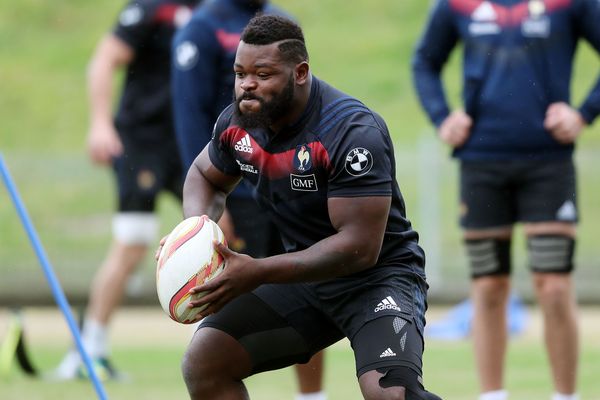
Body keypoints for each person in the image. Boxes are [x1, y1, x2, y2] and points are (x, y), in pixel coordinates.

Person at [161, 14, 442, 400]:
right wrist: (193, 234)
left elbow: (358, 248)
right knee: (205, 361)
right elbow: (204, 175)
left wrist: (257, 271)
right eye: (240, 73)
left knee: (390, 394)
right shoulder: (239, 125)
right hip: (304, 282)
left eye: (263, 74)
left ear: (300, 72)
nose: (247, 86)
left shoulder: (351, 132)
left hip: (378, 279)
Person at [412, 1, 600, 399]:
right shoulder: (456, 5)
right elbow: (425, 61)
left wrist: (583, 114)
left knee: (553, 284)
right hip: (482, 162)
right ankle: (492, 394)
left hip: (548, 161)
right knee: (489, 286)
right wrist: (442, 116)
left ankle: (566, 395)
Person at [170, 2, 327, 399]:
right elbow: (191, 122)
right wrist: (201, 224)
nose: (248, 81)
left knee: (306, 285)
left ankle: (311, 395)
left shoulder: (278, 18)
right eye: (242, 73)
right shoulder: (202, 27)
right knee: (230, 307)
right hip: (239, 186)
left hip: (294, 181)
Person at [52, 0, 200, 380]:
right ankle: (89, 352)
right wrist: (100, 124)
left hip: (192, 145)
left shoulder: (218, 11)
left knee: (220, 235)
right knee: (133, 242)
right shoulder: (152, 7)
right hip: (142, 144)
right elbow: (103, 60)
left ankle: (215, 347)